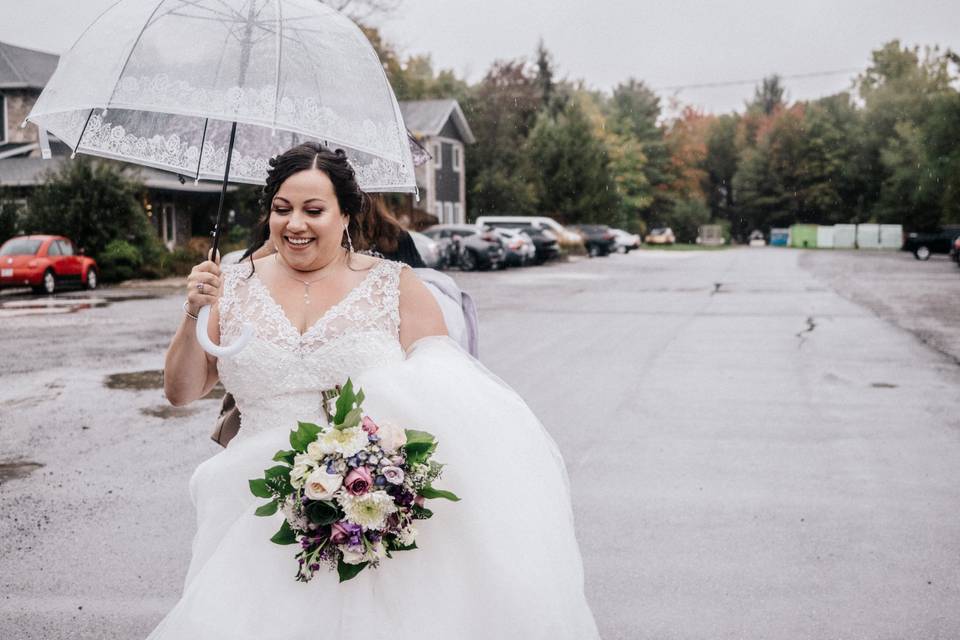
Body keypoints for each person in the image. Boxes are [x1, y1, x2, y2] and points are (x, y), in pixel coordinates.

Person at [154, 142, 599, 639]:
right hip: (251, 511)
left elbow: (447, 401)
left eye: (313, 210)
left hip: (370, 513)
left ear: (346, 214)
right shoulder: (231, 285)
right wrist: (194, 309)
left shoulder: (397, 286)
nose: (294, 224)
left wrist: (379, 477)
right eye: (281, 209)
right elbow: (181, 390)